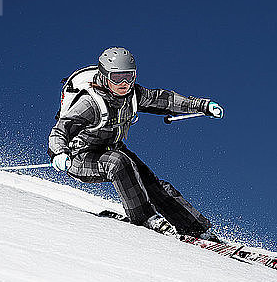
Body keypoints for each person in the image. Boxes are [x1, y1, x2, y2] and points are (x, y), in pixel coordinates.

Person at [48, 47, 224, 239]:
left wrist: (202, 105)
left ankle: (196, 229)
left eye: (129, 77)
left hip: (111, 148)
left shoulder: (133, 94)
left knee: (150, 183)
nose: (124, 83)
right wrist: (59, 153)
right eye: (117, 78)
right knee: (118, 163)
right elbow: (60, 130)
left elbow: (165, 100)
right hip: (79, 156)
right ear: (105, 77)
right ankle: (145, 219)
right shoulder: (89, 104)